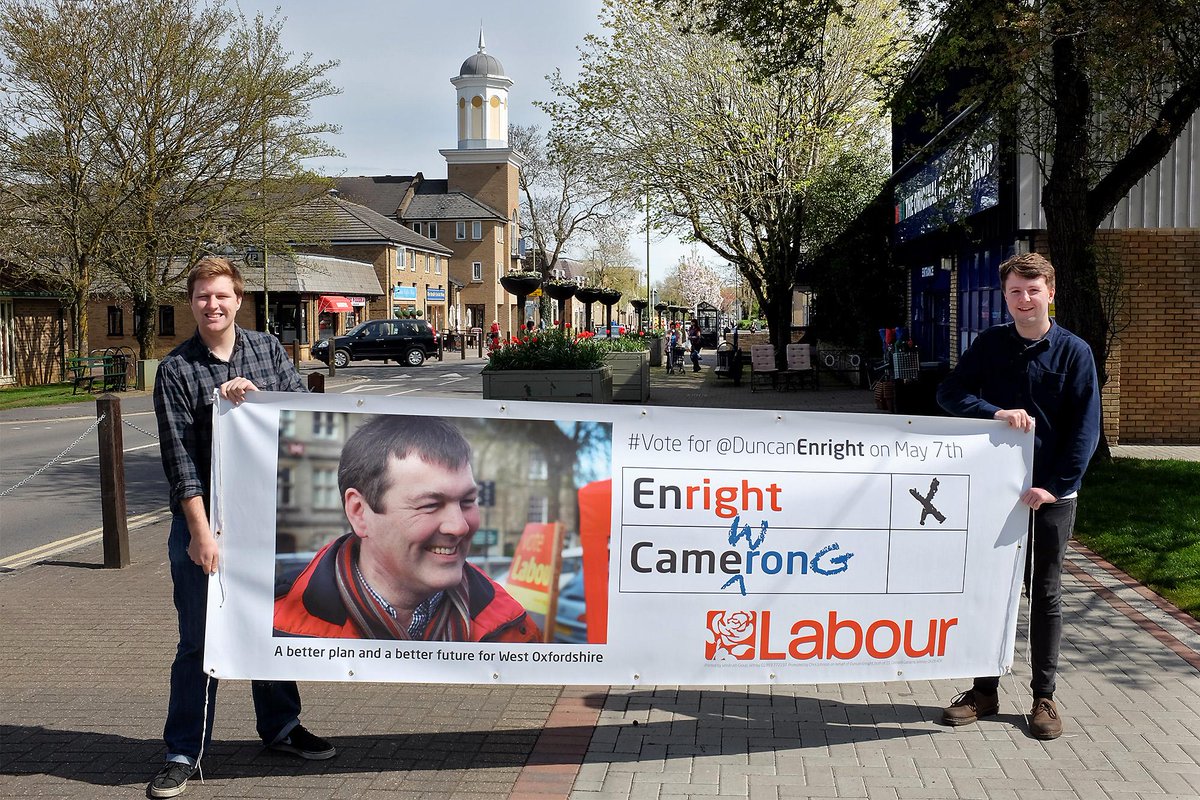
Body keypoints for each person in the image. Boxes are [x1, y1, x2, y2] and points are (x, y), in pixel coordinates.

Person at [150, 257, 335, 799]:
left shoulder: (267, 350)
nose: (213, 305)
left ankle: (280, 727)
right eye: (203, 296)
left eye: (222, 295)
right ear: (192, 303)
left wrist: (260, 401)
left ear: (239, 300)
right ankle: (184, 749)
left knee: (272, 628)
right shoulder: (177, 370)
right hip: (208, 524)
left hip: (266, 519)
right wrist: (200, 533)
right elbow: (180, 461)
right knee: (197, 640)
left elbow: (301, 418)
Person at [935, 252, 1100, 740]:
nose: (1024, 299)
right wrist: (993, 411)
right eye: (1014, 291)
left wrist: (1055, 486)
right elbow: (949, 393)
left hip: (1050, 496)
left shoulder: (1075, 352)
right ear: (1004, 297)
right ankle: (984, 691)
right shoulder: (990, 345)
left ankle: (1044, 697)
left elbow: (1085, 429)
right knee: (990, 588)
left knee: (1044, 593)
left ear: (1050, 292)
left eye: (1033, 290)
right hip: (995, 495)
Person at [274, 415, 542, 643]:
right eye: (430, 505)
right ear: (359, 512)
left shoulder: (513, 625)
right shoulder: (276, 622)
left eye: (468, 501)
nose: (459, 526)